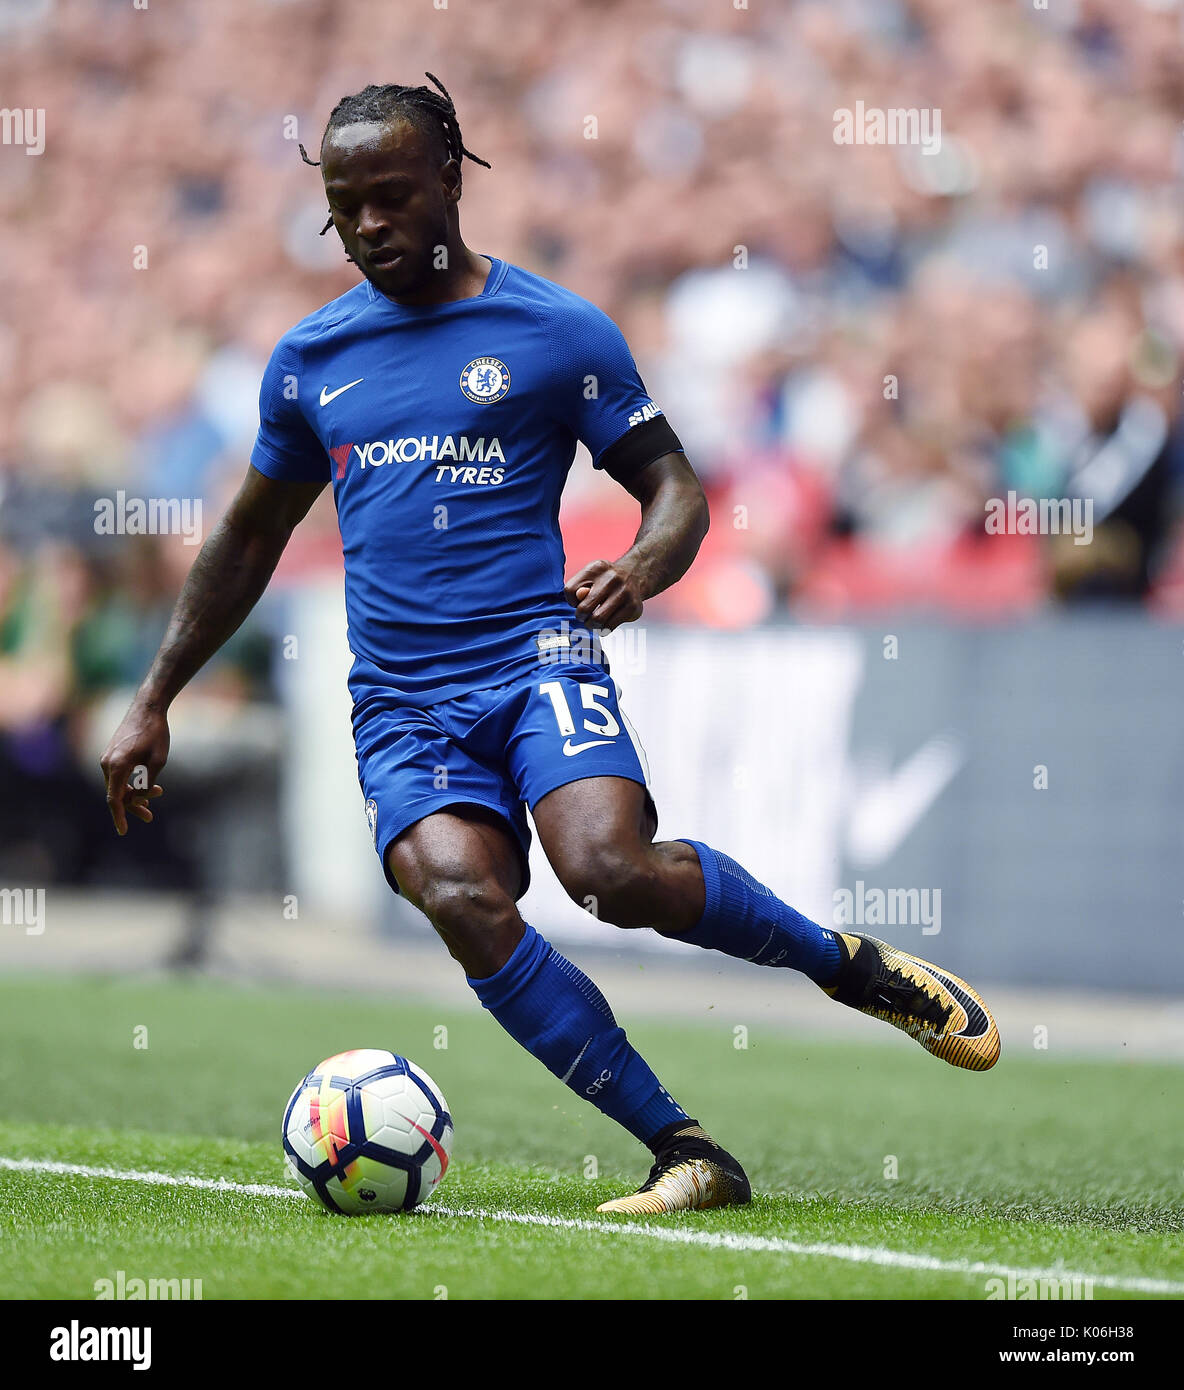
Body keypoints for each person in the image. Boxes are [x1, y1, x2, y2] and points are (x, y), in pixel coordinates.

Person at [100, 76, 999, 1216]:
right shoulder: (309, 361)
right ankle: (685, 1148)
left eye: (390, 195)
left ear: (448, 178)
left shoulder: (554, 332)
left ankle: (846, 966)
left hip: (535, 659)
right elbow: (246, 537)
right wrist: (155, 693)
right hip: (401, 701)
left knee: (612, 873)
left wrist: (643, 562)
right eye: (345, 206)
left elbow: (673, 488)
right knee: (459, 894)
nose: (369, 224)